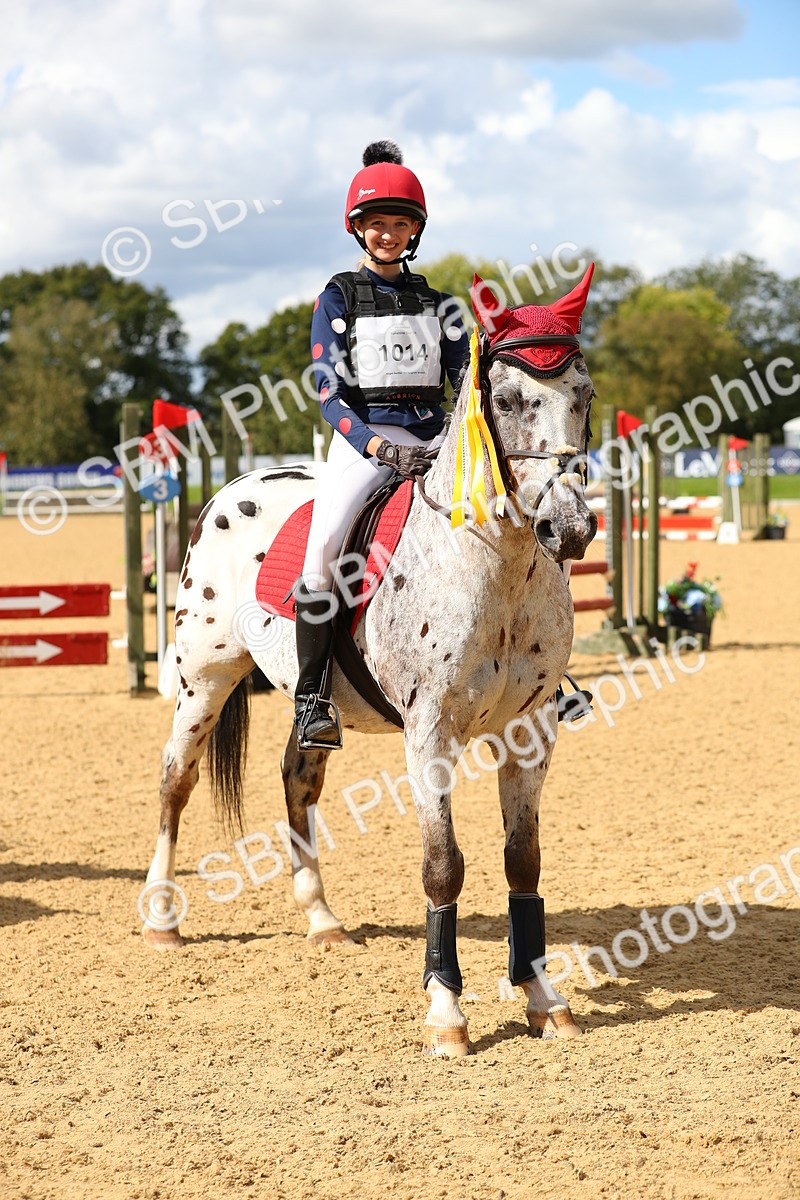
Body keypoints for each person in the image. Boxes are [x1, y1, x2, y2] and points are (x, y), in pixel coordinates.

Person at [294, 139, 470, 751]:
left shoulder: (440, 304)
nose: (388, 234)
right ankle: (312, 700)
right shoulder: (338, 297)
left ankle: (545, 673)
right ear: (358, 230)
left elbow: (467, 379)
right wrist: (377, 449)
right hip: (364, 441)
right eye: (377, 224)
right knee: (324, 547)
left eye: (400, 224)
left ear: (415, 230)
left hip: (437, 438)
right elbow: (327, 392)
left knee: (508, 517)